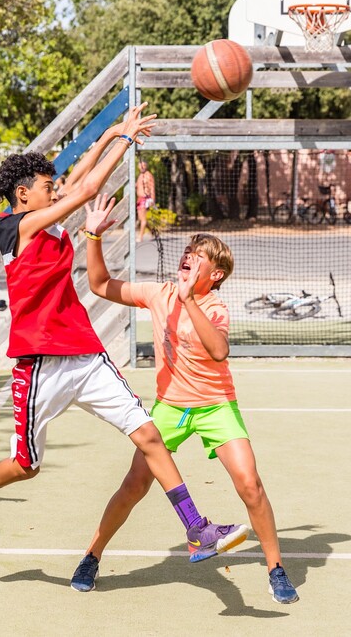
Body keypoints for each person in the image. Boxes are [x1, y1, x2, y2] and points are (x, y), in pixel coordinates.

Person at [0, 104, 249, 566]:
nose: (56, 192)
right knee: (27, 466)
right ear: (22, 194)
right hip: (39, 365)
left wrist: (115, 132)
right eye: (46, 187)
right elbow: (86, 188)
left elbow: (76, 184)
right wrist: (127, 144)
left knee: (149, 436)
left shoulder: (45, 218)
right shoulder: (15, 228)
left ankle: (197, 529)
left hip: (86, 356)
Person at [69, 198, 298, 602]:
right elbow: (101, 284)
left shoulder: (214, 306)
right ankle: (91, 555)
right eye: (189, 252)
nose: (189, 256)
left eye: (200, 255)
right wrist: (93, 235)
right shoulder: (158, 293)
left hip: (215, 405)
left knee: (251, 485)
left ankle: (276, 567)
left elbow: (220, 351)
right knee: (133, 486)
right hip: (170, 407)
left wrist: (190, 299)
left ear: (217, 273)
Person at [135, 159, 156, 243]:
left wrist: (152, 199)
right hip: (139, 198)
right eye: (140, 165)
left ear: (146, 166)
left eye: (143, 165)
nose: (142, 167)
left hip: (145, 198)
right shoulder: (140, 175)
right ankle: (152, 231)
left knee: (143, 219)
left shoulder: (148, 175)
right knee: (141, 219)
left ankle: (140, 237)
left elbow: (152, 188)